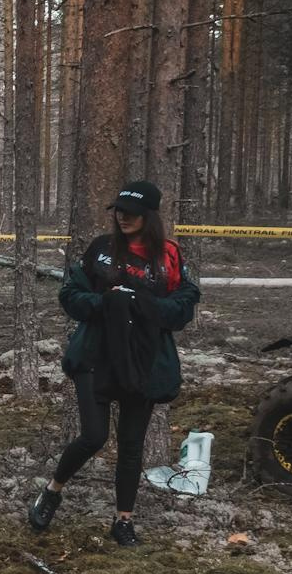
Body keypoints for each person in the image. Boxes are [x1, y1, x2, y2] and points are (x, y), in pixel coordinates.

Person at [27, 180, 200, 547]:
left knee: (131, 445)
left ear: (148, 216)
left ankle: (123, 521)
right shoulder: (101, 251)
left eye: (131, 212)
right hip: (96, 356)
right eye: (118, 210)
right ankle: (52, 490)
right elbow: (71, 295)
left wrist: (144, 305)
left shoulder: (169, 255)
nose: (122, 217)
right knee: (94, 436)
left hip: (144, 361)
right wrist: (105, 303)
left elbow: (184, 305)